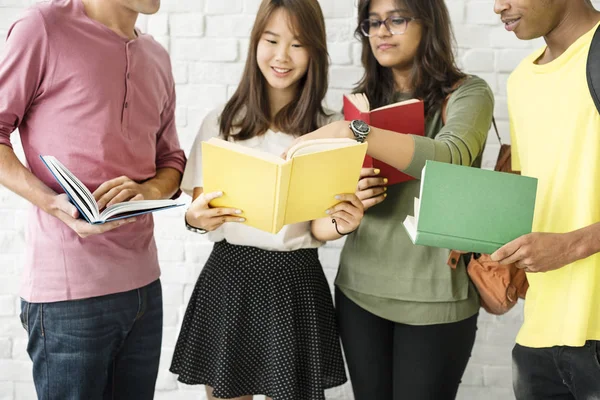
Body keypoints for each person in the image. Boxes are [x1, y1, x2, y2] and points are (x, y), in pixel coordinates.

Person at [286, 0, 495, 398]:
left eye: (397, 19)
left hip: (435, 296)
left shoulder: (468, 93)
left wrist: (356, 133)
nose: (382, 31)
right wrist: (353, 198)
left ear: (428, 22)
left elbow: (450, 157)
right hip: (359, 292)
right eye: (372, 23)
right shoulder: (360, 104)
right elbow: (330, 203)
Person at [169, 1, 362, 399]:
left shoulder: (328, 128)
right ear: (255, 42)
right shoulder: (222, 122)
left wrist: (344, 220)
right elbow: (201, 211)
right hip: (230, 276)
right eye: (271, 40)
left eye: (297, 44)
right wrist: (194, 218)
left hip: (296, 279)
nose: (281, 56)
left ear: (315, 52)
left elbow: (317, 227)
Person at [0, 0, 186, 398]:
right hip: (68, 300)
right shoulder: (43, 28)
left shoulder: (156, 56)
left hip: (143, 292)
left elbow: (171, 160)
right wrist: (52, 203)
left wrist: (149, 191)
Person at [491, 0, 600, 398]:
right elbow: (542, 193)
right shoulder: (520, 79)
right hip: (539, 337)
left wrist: (572, 245)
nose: (497, 6)